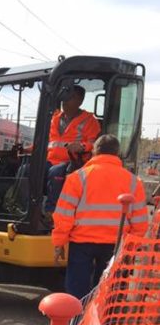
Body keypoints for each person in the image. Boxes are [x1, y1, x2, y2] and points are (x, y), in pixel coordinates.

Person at [52, 134, 150, 299]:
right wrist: (131, 248)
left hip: (81, 243)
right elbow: (140, 221)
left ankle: (76, 322)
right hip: (116, 244)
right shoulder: (134, 182)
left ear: (95, 152)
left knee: (78, 291)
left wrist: (59, 243)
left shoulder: (77, 177)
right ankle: (104, 323)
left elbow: (64, 214)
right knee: (109, 292)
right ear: (117, 153)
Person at [45, 85, 101, 212]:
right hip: (50, 160)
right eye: (64, 97)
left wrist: (81, 146)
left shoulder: (90, 121)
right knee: (27, 169)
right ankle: (23, 207)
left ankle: (51, 211)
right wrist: (30, 149)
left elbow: (95, 143)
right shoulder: (54, 119)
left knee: (56, 172)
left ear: (80, 101)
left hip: (74, 162)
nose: (65, 101)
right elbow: (47, 141)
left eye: (70, 97)